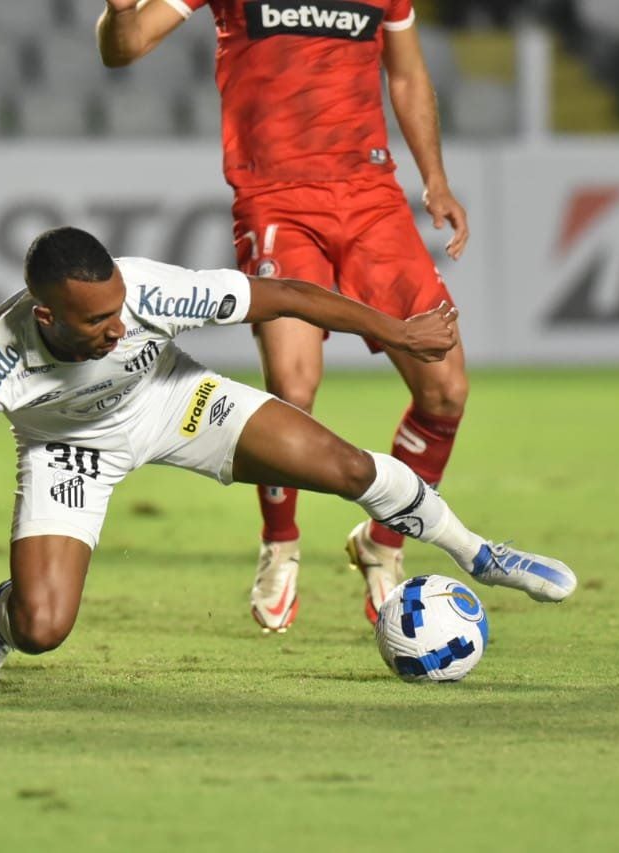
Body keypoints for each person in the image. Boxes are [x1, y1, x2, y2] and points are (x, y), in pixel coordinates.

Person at [0, 227, 576, 700]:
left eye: (121, 307)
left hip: (176, 402)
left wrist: (395, 333)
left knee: (338, 463)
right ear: (46, 315)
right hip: (67, 450)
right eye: (97, 320)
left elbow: (287, 294)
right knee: (45, 627)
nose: (119, 326)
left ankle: (476, 551)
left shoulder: (150, 292)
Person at [98, 1, 472, 632]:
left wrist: (435, 177)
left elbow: (405, 74)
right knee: (294, 386)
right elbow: (124, 46)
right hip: (276, 199)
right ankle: (281, 541)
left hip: (372, 199)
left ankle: (383, 541)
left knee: (446, 390)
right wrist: (116, 13)